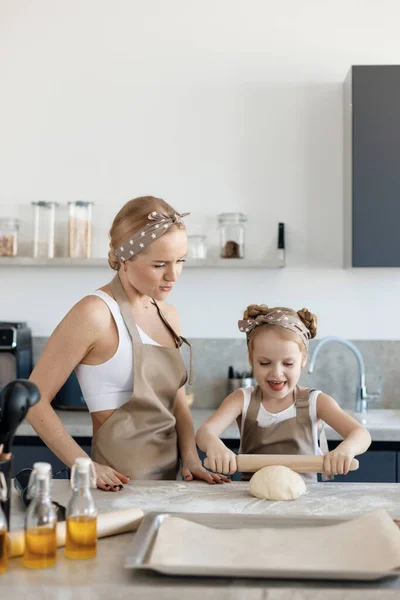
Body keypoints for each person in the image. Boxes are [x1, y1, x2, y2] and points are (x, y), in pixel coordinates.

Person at [28, 196, 230, 491]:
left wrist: (190, 459)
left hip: (172, 484)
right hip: (118, 487)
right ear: (125, 259)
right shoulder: (94, 313)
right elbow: (34, 401)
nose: (173, 276)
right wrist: (84, 466)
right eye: (160, 264)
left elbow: (177, 401)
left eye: (180, 261)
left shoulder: (168, 315)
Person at [196, 304, 371, 480]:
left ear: (303, 360)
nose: (276, 373)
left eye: (288, 364)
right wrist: (214, 446)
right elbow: (205, 432)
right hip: (251, 500)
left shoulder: (316, 402)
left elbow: (361, 434)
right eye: (265, 363)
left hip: (305, 502)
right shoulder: (242, 399)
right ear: (251, 359)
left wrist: (346, 449)